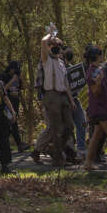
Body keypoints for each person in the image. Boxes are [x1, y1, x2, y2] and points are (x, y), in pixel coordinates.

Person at [38, 29, 75, 167]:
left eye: (58, 46)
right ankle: (58, 159)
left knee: (70, 127)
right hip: (51, 96)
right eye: (53, 45)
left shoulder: (61, 63)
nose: (55, 47)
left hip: (63, 96)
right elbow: (43, 41)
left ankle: (56, 150)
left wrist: (71, 100)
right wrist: (51, 34)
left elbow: (66, 83)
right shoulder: (46, 60)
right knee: (56, 129)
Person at [2, 60, 27, 151]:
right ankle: (18, 144)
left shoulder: (17, 77)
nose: (15, 72)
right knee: (11, 123)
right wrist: (12, 80)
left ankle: (9, 144)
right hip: (8, 102)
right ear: (10, 69)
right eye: (14, 70)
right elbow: (3, 89)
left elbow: (23, 87)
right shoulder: (4, 76)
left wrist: (21, 78)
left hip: (16, 101)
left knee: (13, 123)